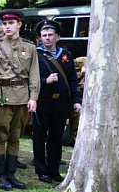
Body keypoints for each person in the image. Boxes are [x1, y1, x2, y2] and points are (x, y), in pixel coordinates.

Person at [0, 9, 39, 190]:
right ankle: (0, 175)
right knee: (0, 135)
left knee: (16, 136)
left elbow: (34, 75)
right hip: (3, 97)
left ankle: (11, 174)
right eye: (5, 23)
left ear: (19, 25)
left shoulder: (30, 47)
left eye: (11, 23)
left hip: (23, 98)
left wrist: (33, 98)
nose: (7, 26)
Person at [32, 19, 82, 183]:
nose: (47, 38)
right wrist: (46, 80)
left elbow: (73, 80)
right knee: (39, 136)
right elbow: (28, 78)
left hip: (60, 102)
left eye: (50, 35)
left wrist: (76, 100)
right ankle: (41, 170)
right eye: (44, 35)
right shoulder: (36, 55)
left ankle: (54, 170)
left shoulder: (66, 55)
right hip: (42, 101)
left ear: (57, 37)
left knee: (56, 136)